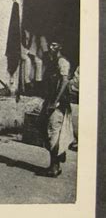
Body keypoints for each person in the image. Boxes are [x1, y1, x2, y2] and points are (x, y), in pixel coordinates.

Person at [39, 40, 74, 177]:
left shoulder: (62, 62)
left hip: (58, 103)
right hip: (50, 100)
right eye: (50, 45)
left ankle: (54, 167)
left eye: (54, 45)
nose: (51, 48)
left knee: (53, 133)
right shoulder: (52, 62)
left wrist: (55, 101)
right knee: (44, 128)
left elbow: (64, 81)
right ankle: (57, 159)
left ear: (60, 46)